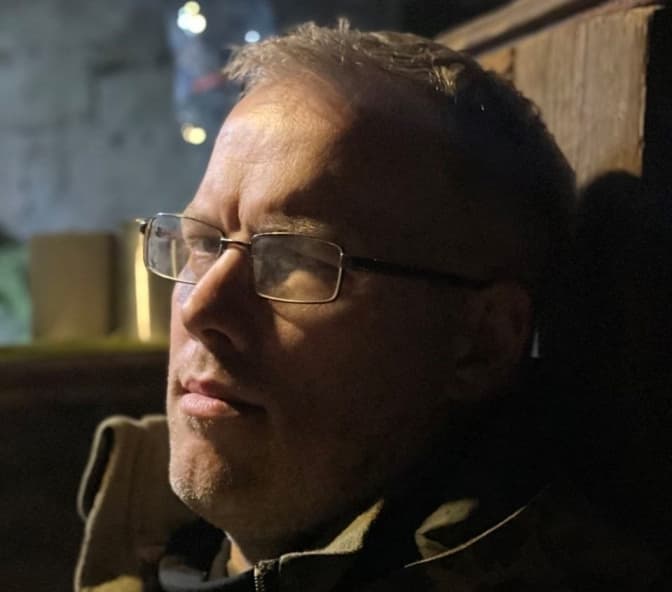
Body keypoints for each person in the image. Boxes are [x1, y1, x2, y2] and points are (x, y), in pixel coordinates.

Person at [75, 22, 586, 592]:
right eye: (203, 243)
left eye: (295, 257)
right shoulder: (151, 547)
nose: (202, 309)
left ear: (481, 343)